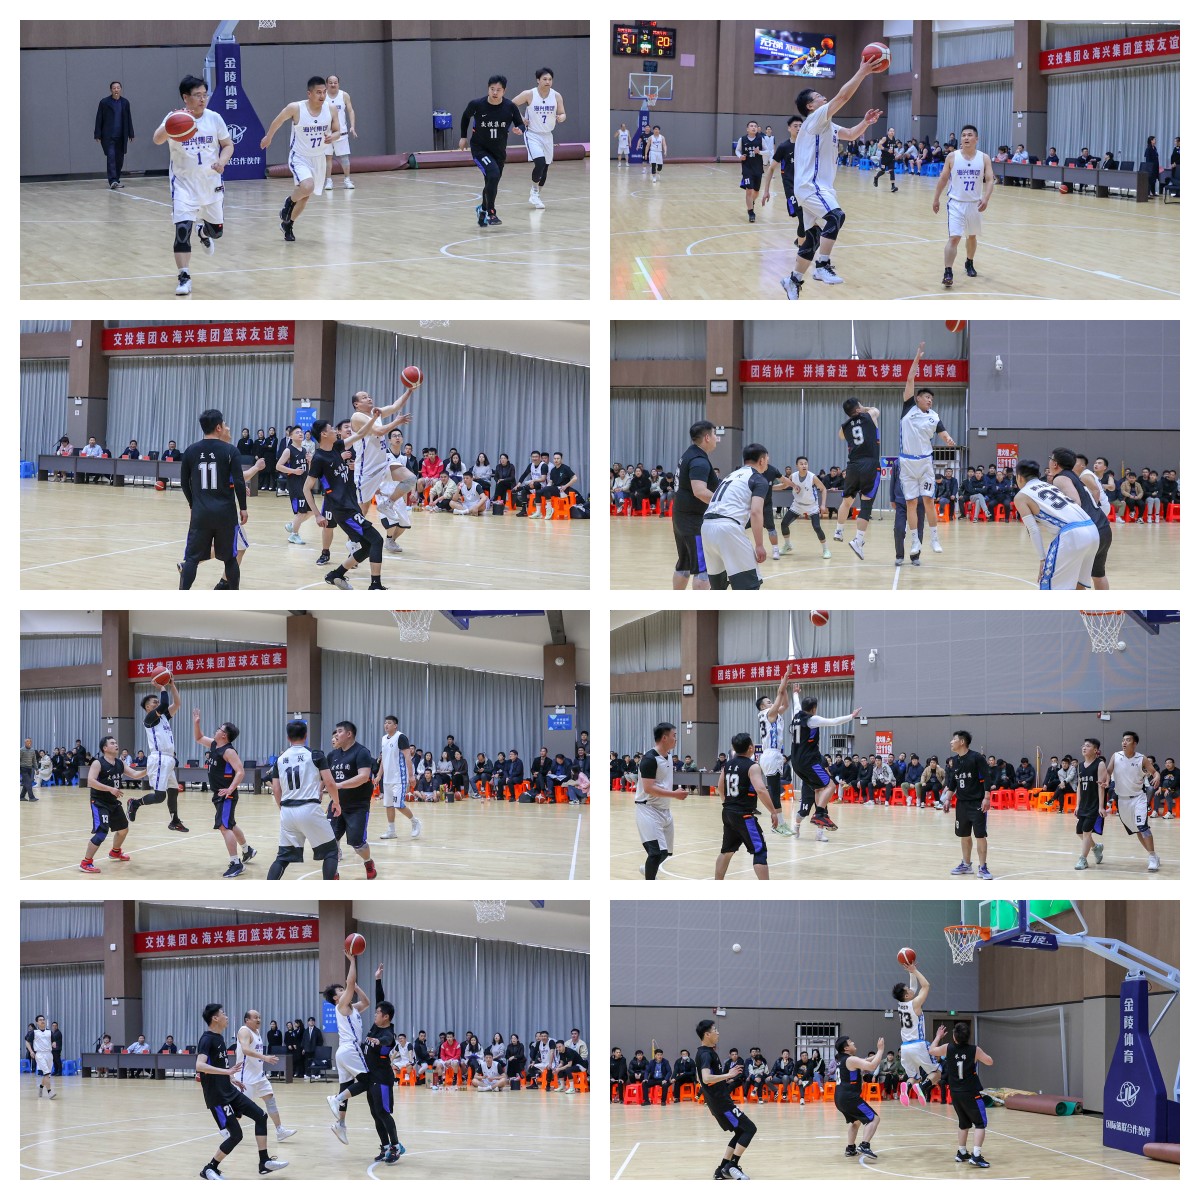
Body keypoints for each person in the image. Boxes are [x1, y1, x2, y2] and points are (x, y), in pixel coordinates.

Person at [780, 59, 883, 297]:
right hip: (811, 186)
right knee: (836, 216)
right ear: (810, 106)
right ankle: (822, 265)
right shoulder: (815, 119)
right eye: (818, 96)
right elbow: (843, 97)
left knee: (812, 238)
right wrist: (862, 71)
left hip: (817, 187)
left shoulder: (828, 124)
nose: (824, 98)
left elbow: (851, 134)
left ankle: (793, 280)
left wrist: (865, 122)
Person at [152, 75, 233, 296]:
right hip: (183, 185)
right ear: (185, 98)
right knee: (181, 230)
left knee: (217, 232)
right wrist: (171, 123)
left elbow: (228, 145)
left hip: (210, 183)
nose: (202, 99)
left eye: (205, 95)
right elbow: (157, 139)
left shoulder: (214, 118)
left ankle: (203, 232)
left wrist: (222, 161)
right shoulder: (174, 118)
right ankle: (184, 276)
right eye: (197, 95)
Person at [195, 1003, 288, 1179]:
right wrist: (227, 1072)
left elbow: (220, 1065)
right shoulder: (207, 1039)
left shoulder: (219, 1038)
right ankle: (209, 1168)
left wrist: (231, 1077)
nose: (226, 1016)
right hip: (217, 1097)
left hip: (229, 1090)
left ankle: (264, 1162)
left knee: (261, 1116)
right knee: (236, 1135)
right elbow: (199, 1065)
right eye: (223, 1013)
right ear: (215, 1018)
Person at [303, 416, 388, 591]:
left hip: (351, 505)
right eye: (332, 428)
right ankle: (375, 585)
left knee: (367, 546)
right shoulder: (319, 458)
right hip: (342, 509)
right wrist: (317, 515)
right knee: (377, 540)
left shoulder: (337, 447)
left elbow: (361, 434)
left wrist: (373, 418)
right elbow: (306, 488)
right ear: (324, 434)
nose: (335, 431)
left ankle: (336, 575)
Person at [260, 77, 339, 242]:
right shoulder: (296, 108)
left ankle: (288, 224)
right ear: (309, 94)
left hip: (318, 158)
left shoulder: (331, 108)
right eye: (318, 92)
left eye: (324, 92)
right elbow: (278, 121)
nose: (322, 96)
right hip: (300, 157)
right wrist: (269, 137)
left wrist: (333, 136)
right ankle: (289, 201)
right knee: (307, 187)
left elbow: (337, 130)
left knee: (305, 196)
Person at [178, 408, 248, 591]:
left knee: (192, 559)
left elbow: (184, 483)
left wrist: (193, 503)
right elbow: (239, 481)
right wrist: (243, 507)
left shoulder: (191, 451)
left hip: (201, 513)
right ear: (218, 427)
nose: (225, 426)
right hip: (226, 514)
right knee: (230, 559)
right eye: (224, 424)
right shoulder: (231, 451)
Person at [266, 719, 340, 880]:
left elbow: (276, 788)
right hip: (309, 808)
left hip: (287, 811)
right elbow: (329, 782)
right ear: (306, 735)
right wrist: (336, 802)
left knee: (282, 857)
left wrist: (282, 808)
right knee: (331, 851)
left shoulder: (280, 759)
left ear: (288, 737)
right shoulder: (315, 755)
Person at [1012, 460, 1100, 590]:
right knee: (1078, 585)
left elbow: (1033, 529)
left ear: (1019, 477)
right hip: (1092, 529)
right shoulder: (1049, 486)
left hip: (1073, 534)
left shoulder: (1021, 496)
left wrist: (1042, 559)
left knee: (1051, 587)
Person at [789, 691, 861, 838]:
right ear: (814, 708)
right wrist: (851, 716)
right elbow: (834, 721)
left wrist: (795, 694)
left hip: (796, 762)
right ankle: (819, 813)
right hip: (809, 761)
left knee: (819, 788)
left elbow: (796, 705)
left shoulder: (796, 715)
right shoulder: (812, 720)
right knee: (831, 786)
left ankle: (819, 817)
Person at [700, 443, 771, 591]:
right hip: (728, 528)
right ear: (762, 460)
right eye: (767, 460)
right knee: (749, 587)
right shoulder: (758, 479)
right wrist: (759, 545)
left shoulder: (730, 475)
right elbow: (756, 512)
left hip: (706, 528)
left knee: (717, 588)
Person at [192, 709, 254, 878]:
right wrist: (196, 723)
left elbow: (240, 772)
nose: (217, 729)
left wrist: (230, 789)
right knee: (230, 824)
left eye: (220, 728)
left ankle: (236, 863)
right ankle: (247, 850)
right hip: (219, 793)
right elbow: (198, 738)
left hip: (226, 795)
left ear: (224, 735)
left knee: (224, 826)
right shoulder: (214, 745)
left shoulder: (228, 751)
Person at [459, 75, 526, 227]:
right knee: (493, 174)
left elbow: (521, 124)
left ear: (504, 91)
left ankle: (482, 209)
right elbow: (465, 117)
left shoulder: (510, 107)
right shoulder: (477, 104)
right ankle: (491, 213)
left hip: (499, 151)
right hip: (480, 149)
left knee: (492, 181)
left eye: (498, 90)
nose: (495, 92)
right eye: (492, 89)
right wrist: (463, 137)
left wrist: (519, 129)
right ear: (488, 89)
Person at [933, 124, 995, 288]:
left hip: (975, 204)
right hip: (956, 203)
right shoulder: (952, 157)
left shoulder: (984, 158)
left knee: (972, 236)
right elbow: (943, 179)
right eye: (964, 135)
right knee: (954, 238)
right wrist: (936, 198)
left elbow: (990, 180)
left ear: (976, 139)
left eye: (969, 135)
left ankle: (969, 262)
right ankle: (948, 272)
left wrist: (986, 198)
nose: (966, 138)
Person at [324, 953, 377, 1143]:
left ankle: (341, 1124)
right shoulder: (341, 1006)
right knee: (367, 1081)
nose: (344, 990)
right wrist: (352, 960)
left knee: (346, 1086)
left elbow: (367, 1002)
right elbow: (350, 981)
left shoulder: (351, 1008)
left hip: (343, 1052)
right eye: (341, 990)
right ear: (335, 998)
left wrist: (354, 986)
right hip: (350, 1049)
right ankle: (336, 1099)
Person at [696, 1019, 755, 1180]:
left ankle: (721, 1169)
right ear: (707, 1034)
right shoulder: (706, 1054)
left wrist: (721, 1080)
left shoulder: (702, 1052)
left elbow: (700, 1078)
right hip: (722, 1105)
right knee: (750, 1129)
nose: (718, 1032)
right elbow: (705, 1078)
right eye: (715, 1030)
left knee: (741, 1131)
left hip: (719, 1103)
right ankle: (731, 1166)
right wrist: (728, 1074)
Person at [78, 736, 147, 873]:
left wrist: (148, 769)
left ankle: (115, 852)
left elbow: (134, 774)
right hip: (99, 802)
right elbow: (90, 781)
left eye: (116, 742)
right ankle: (86, 862)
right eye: (112, 743)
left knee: (123, 829)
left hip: (113, 802)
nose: (116, 745)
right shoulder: (98, 763)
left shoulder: (120, 763)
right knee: (101, 833)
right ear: (105, 748)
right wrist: (110, 789)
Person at [929, 1023, 993, 1168]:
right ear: (968, 1036)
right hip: (971, 1092)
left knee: (963, 1123)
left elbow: (931, 1050)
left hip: (955, 1092)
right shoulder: (974, 1050)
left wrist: (938, 1036)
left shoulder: (948, 1048)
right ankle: (976, 1156)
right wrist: (979, 1055)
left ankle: (962, 1152)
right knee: (980, 1124)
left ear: (954, 1036)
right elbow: (990, 1062)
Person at [1047, 449, 1111, 590]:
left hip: (1089, 530)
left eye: (1050, 458)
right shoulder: (1073, 476)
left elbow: (1075, 501)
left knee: (1077, 578)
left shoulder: (1060, 478)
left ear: (1055, 464)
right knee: (1098, 574)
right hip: (1103, 527)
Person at [128, 675, 187, 830]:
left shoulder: (164, 718)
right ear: (148, 707)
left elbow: (177, 704)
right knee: (160, 796)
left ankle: (174, 820)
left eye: (158, 701)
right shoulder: (149, 719)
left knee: (173, 790)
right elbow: (165, 703)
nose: (158, 703)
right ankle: (135, 803)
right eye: (155, 702)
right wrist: (161, 686)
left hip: (169, 758)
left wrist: (172, 685)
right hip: (159, 758)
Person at [715, 732, 773, 880]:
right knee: (759, 850)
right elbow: (761, 790)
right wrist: (773, 812)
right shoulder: (753, 766)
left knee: (726, 851)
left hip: (728, 812)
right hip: (744, 815)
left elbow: (720, 787)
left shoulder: (727, 765)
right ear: (751, 748)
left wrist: (727, 803)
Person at [326, 720, 379, 879]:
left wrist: (340, 785)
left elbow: (363, 777)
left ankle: (368, 862)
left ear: (349, 734)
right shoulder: (332, 755)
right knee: (330, 840)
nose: (336, 735)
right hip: (337, 804)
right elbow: (326, 778)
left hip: (357, 806)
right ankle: (334, 874)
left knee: (357, 844)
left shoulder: (361, 752)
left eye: (339, 731)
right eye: (335, 732)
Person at [636, 722, 689, 880]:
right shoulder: (649, 759)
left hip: (664, 809)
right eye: (674, 735)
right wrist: (674, 794)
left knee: (665, 853)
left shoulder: (668, 757)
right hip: (648, 809)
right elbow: (648, 788)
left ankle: (648, 870)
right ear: (664, 738)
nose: (676, 739)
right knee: (655, 853)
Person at [833, 397, 882, 560]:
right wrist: (864, 408)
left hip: (852, 466)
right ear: (859, 408)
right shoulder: (869, 416)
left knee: (847, 501)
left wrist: (852, 416)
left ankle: (838, 531)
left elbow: (841, 436)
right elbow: (876, 410)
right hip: (870, 464)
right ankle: (858, 541)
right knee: (866, 504)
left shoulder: (844, 427)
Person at [236, 1011, 296, 1141]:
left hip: (259, 1076)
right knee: (239, 1110)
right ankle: (227, 1129)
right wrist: (265, 1057)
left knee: (270, 1100)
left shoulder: (257, 1032)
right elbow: (245, 1050)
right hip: (245, 1077)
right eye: (255, 1017)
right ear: (247, 1020)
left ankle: (280, 1130)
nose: (258, 1019)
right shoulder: (244, 1031)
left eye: (259, 1017)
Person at [511, 68, 565, 209]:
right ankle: (534, 191)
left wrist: (561, 117)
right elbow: (511, 104)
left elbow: (562, 113)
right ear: (538, 80)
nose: (548, 82)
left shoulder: (556, 96)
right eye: (544, 79)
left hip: (548, 135)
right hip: (532, 134)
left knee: (545, 168)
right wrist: (520, 118)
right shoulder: (529, 94)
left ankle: (537, 194)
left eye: (550, 79)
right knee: (539, 163)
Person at [1110, 731, 1161, 872]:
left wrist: (1157, 776)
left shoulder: (1141, 758)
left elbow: (1154, 772)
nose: (1124, 742)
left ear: (1135, 743)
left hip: (1138, 798)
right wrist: (1104, 779)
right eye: (1123, 740)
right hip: (1122, 800)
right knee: (1137, 830)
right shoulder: (1116, 756)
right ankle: (1153, 855)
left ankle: (1152, 856)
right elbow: (1108, 772)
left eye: (1128, 740)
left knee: (1142, 826)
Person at [891, 963, 942, 1104]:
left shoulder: (901, 1004)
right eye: (908, 989)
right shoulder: (915, 1003)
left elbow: (913, 987)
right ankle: (923, 1087)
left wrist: (911, 971)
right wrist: (916, 971)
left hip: (905, 1048)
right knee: (937, 1073)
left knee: (913, 1076)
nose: (910, 988)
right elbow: (926, 986)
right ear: (907, 995)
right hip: (918, 1045)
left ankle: (907, 1087)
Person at [946, 729, 992, 879]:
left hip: (977, 803)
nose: (951, 742)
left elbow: (987, 777)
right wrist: (947, 799)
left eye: (953, 739)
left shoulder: (976, 757)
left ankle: (983, 867)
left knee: (980, 835)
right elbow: (953, 782)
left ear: (962, 742)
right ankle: (966, 864)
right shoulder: (954, 760)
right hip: (961, 804)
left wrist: (986, 798)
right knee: (964, 835)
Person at [833, 1034, 885, 1160]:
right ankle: (864, 1145)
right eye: (851, 1042)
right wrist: (880, 1050)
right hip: (850, 1098)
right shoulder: (851, 1060)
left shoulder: (843, 1059)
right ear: (846, 1048)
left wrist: (877, 1055)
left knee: (855, 1121)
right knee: (874, 1119)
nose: (853, 1043)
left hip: (840, 1098)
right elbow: (872, 1066)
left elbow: (866, 1060)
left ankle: (850, 1149)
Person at [757, 666, 795, 833]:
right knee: (773, 790)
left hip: (774, 754)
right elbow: (780, 695)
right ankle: (778, 824)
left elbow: (785, 703)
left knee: (775, 789)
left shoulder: (773, 714)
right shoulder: (768, 714)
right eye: (768, 702)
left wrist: (784, 686)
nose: (771, 702)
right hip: (770, 754)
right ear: (762, 707)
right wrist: (785, 677)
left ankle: (779, 823)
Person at [376, 715, 421, 840]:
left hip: (399, 778)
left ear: (395, 725)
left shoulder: (400, 737)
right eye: (385, 723)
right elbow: (384, 759)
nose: (386, 725)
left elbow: (408, 757)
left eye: (389, 723)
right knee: (389, 805)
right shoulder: (384, 739)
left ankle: (415, 822)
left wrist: (411, 776)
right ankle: (391, 831)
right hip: (387, 778)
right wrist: (379, 775)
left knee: (398, 804)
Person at [780, 456, 831, 558]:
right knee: (784, 524)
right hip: (797, 505)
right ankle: (788, 545)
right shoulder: (793, 476)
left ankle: (826, 549)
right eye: (801, 464)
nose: (804, 465)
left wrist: (823, 505)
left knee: (817, 527)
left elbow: (823, 489)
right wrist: (770, 487)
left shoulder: (813, 477)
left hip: (811, 506)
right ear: (797, 466)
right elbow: (784, 486)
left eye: (805, 464)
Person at [1073, 738, 1108, 871]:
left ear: (1095, 750)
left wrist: (1101, 806)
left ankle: (1083, 859)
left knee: (1086, 831)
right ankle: (1096, 847)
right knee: (1079, 832)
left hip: (1094, 804)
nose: (1084, 748)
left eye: (1088, 746)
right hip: (1083, 804)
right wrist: (1077, 805)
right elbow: (1079, 786)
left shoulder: (1100, 764)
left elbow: (1101, 787)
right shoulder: (1080, 766)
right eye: (1083, 745)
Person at [95, 81, 135, 190]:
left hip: (121, 136)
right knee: (111, 158)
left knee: (119, 159)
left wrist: (131, 133)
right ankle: (112, 180)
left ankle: (116, 179)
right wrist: (97, 134)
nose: (116, 90)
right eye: (114, 88)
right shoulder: (104, 102)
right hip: (108, 136)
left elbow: (129, 118)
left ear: (120, 89)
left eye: (118, 88)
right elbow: (99, 118)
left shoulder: (125, 102)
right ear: (111, 90)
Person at [278, 426, 314, 545]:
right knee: (301, 512)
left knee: (311, 511)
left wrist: (310, 461)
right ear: (291, 436)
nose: (300, 434)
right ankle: (294, 535)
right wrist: (293, 471)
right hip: (295, 484)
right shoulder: (288, 450)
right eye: (297, 432)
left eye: (301, 432)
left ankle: (293, 525)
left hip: (305, 483)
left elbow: (308, 469)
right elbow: (278, 466)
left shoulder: (304, 450)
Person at [323, 74, 357, 190]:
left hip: (341, 133)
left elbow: (350, 111)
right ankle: (328, 181)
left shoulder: (344, 95)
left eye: (335, 82)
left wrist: (352, 126)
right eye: (330, 82)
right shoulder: (323, 95)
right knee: (328, 157)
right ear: (327, 84)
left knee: (344, 157)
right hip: (327, 134)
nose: (333, 84)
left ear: (338, 83)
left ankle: (347, 180)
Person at [737, 121, 766, 222]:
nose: (753, 128)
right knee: (749, 190)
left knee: (756, 191)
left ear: (757, 128)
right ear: (747, 129)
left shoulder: (761, 139)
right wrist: (740, 156)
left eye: (755, 126)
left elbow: (768, 151)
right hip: (747, 168)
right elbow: (737, 150)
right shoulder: (742, 139)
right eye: (751, 126)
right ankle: (751, 213)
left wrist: (760, 152)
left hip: (758, 169)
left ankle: (751, 202)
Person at [26, 1016, 57, 1099]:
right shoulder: (34, 1032)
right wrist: (31, 1051)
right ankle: (49, 1092)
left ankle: (41, 1087)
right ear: (37, 1022)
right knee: (46, 1073)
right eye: (40, 1020)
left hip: (49, 1054)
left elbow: (53, 1040)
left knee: (47, 1075)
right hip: (39, 1055)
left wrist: (54, 1043)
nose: (42, 1021)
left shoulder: (49, 1032)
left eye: (43, 1020)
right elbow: (27, 1042)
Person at [874, 126, 900, 192]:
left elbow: (893, 148)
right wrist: (886, 149)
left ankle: (893, 186)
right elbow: (879, 145)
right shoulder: (885, 138)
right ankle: (876, 177)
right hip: (884, 158)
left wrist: (896, 153)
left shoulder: (894, 139)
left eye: (893, 131)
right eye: (891, 131)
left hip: (891, 158)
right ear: (888, 132)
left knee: (892, 171)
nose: (892, 132)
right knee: (882, 171)